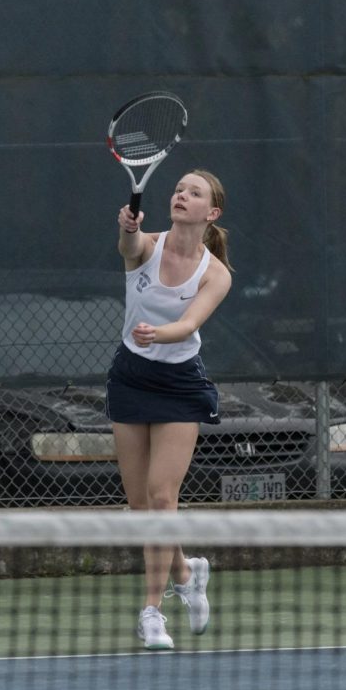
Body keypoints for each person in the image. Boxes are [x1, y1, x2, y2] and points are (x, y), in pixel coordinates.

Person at [106, 168, 233, 650]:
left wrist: (159, 333)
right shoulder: (148, 244)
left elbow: (190, 323)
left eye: (194, 193)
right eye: (179, 189)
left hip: (179, 383)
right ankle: (186, 570)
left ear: (211, 212)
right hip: (130, 377)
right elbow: (128, 248)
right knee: (141, 508)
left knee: (163, 499)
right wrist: (127, 227)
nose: (182, 196)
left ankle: (152, 611)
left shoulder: (216, 274)